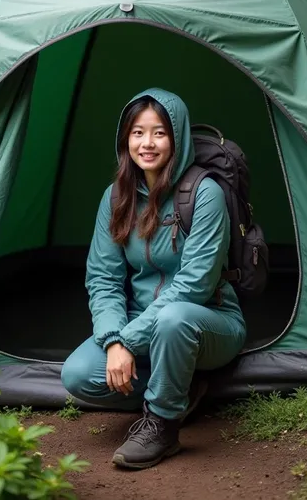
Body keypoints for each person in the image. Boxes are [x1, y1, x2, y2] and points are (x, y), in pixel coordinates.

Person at [61, 88, 246, 469]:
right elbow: (103, 279)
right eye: (137, 133)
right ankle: (181, 387)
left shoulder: (204, 193)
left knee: (172, 318)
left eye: (159, 133)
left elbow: (194, 286)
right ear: (125, 138)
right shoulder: (115, 198)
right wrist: (114, 340)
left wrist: (128, 341)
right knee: (78, 375)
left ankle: (162, 425)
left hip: (205, 321)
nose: (147, 143)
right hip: (138, 324)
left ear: (176, 138)